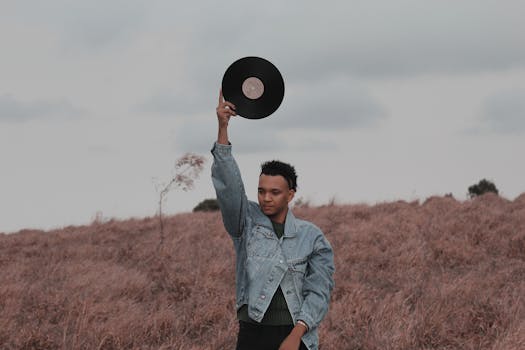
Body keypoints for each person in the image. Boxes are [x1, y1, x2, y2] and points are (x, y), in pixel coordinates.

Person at [211, 90, 335, 350]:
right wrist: (223, 128)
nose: (266, 198)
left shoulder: (311, 237)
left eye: (274, 192)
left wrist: (296, 336)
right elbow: (229, 188)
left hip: (295, 335)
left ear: (290, 195)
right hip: (253, 333)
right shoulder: (246, 223)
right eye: (261, 191)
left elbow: (319, 292)